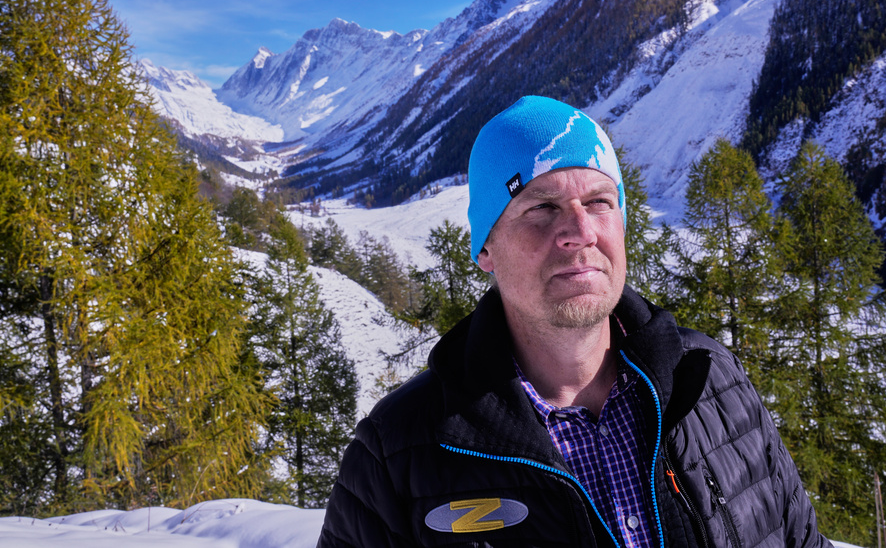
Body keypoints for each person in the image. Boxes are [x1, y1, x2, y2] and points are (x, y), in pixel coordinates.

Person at [317, 96, 831, 548]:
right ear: (486, 249)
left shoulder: (710, 381)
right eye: (541, 208)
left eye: (598, 202)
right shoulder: (397, 456)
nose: (579, 231)